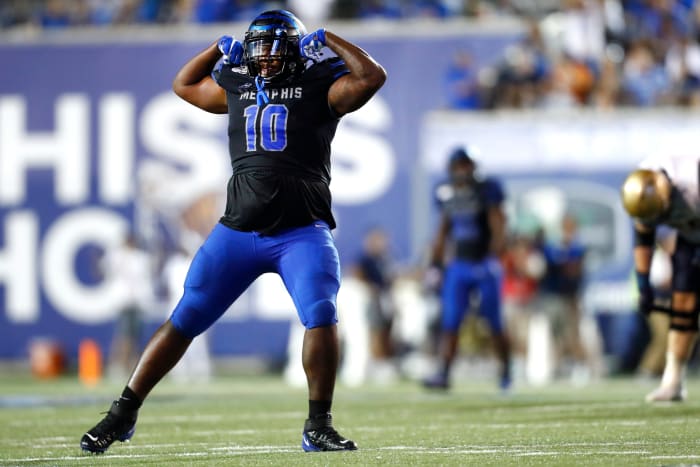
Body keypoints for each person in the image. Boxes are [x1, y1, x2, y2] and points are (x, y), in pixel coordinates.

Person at [79, 9, 386, 453]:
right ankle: (120, 414)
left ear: (296, 50)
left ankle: (318, 425)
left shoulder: (322, 86)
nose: (264, 57)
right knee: (185, 318)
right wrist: (216, 48)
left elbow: (372, 76)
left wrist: (331, 39)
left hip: (300, 232)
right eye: (257, 48)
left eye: (275, 47)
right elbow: (183, 85)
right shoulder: (238, 85)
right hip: (238, 232)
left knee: (321, 313)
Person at [422, 147, 511, 391]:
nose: (462, 171)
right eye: (458, 165)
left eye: (466, 165)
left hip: (483, 262)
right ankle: (444, 373)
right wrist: (435, 264)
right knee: (451, 321)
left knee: (493, 322)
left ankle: (506, 371)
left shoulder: (487, 189)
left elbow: (498, 226)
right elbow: (443, 229)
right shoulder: (445, 192)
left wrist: (492, 258)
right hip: (459, 266)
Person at [621, 155, 700, 402]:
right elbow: (643, 237)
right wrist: (644, 284)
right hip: (691, 235)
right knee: (682, 304)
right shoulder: (642, 187)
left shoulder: (692, 178)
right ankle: (673, 381)